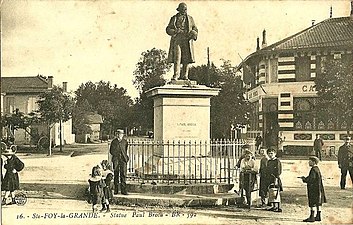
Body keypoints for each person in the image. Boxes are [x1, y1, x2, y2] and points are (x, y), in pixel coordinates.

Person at [166, 2, 198, 81]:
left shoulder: (190, 18)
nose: (184, 10)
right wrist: (175, 31)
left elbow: (195, 28)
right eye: (183, 9)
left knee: (186, 59)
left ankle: (185, 76)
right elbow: (168, 29)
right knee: (177, 57)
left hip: (187, 40)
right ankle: (176, 75)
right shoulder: (174, 18)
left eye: (185, 9)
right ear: (179, 9)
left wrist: (194, 33)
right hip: (177, 39)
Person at [300, 156, 327, 222]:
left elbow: (311, 179)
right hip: (318, 188)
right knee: (318, 202)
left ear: (314, 162)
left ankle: (312, 217)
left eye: (310, 161)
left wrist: (304, 179)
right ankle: (318, 216)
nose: (308, 162)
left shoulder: (313, 170)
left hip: (313, 189)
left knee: (312, 202)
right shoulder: (317, 169)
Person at [109, 129, 129, 195]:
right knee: (116, 174)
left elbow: (125, 150)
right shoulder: (114, 142)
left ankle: (124, 190)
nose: (119, 135)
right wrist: (116, 154)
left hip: (123, 159)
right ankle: (116, 190)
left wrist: (125, 157)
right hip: (116, 159)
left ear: (123, 135)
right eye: (118, 134)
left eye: (121, 134)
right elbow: (111, 151)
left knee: (123, 174)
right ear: (116, 134)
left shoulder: (125, 142)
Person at [266, 148, 283, 212]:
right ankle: (273, 206)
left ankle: (278, 207)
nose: (270, 155)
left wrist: (276, 178)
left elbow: (279, 171)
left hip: (275, 178)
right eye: (269, 153)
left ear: (275, 154)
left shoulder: (277, 161)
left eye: (271, 153)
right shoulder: (269, 161)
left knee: (276, 192)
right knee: (271, 192)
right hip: (269, 178)